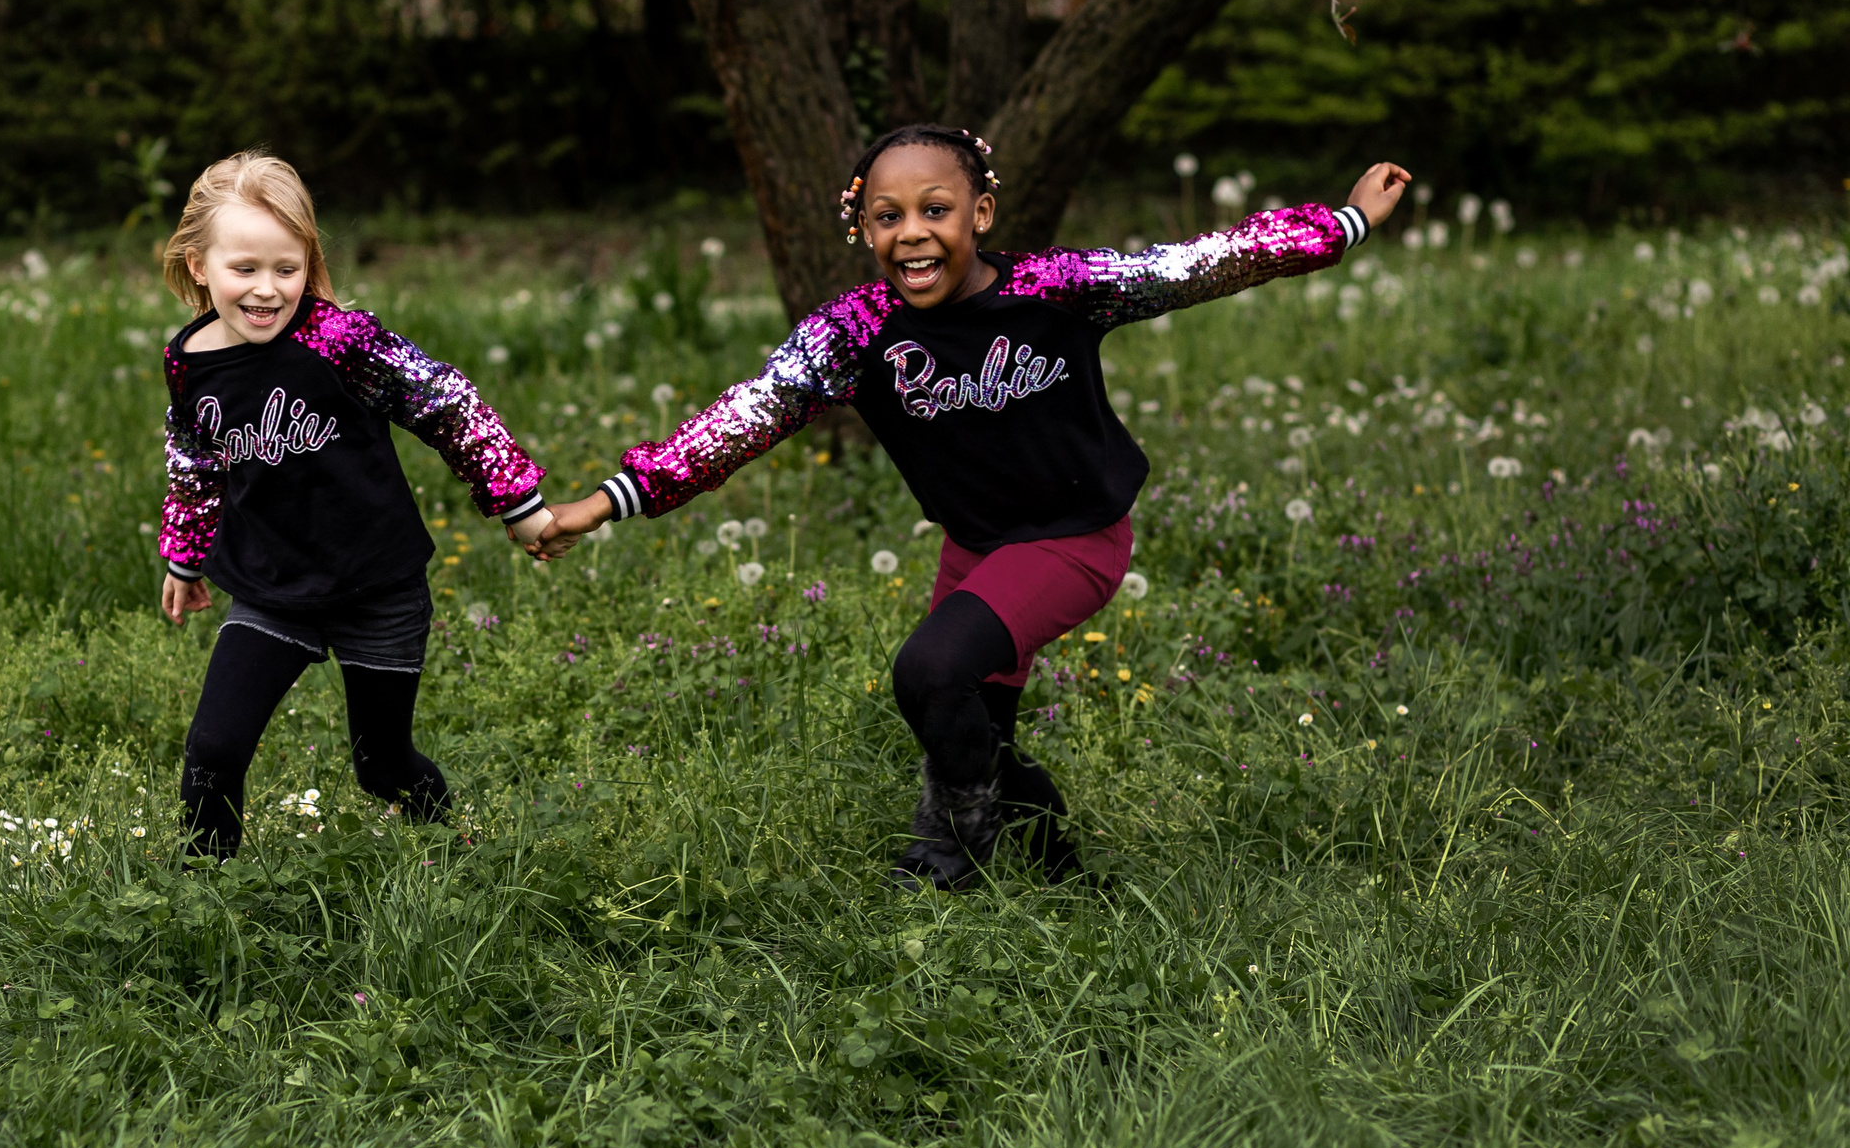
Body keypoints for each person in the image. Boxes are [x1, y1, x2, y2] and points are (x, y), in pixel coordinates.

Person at [536, 125, 1410, 888]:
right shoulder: (853, 331)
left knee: (928, 670)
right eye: (888, 216)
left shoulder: (1053, 286)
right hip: (976, 545)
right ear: (864, 227)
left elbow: (1195, 264)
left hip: (1073, 538)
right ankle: (1039, 834)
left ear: (979, 214)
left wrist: (1345, 221)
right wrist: (608, 502)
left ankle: (955, 853)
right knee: (955, 713)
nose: (912, 234)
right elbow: (747, 416)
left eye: (936, 209)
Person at [157, 150, 553, 857]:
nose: (267, 289)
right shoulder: (189, 360)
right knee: (214, 747)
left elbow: (445, 402)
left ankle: (466, 864)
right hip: (272, 587)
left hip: (378, 585)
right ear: (198, 264)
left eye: (288, 267)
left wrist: (517, 500)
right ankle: (195, 903)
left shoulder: (340, 340)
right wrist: (184, 558)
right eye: (243, 268)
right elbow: (194, 458)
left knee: (382, 766)